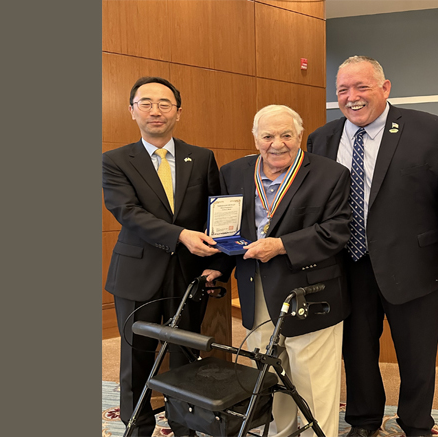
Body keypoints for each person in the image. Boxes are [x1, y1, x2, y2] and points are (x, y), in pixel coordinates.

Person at [307, 56, 438, 437]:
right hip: (346, 264)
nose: (352, 97)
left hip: (415, 264)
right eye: (343, 90)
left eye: (361, 87)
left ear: (385, 88)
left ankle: (416, 423)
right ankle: (364, 421)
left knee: (417, 354)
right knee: (357, 351)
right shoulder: (322, 139)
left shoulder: (431, 130)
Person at [202, 104, 351, 437]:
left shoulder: (331, 174)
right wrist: (217, 266)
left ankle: (318, 434)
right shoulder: (233, 172)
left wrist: (281, 244)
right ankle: (280, 431)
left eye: (286, 135)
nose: (277, 143)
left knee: (312, 377)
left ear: (300, 135)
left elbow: (338, 230)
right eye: (268, 135)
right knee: (268, 372)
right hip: (255, 288)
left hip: (310, 291)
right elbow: (229, 230)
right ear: (255, 139)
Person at [102, 76, 221, 437]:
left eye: (165, 104)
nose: (156, 111)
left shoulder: (200, 157)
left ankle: (185, 425)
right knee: (137, 354)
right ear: (132, 111)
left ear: (178, 112)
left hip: (189, 273)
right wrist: (181, 235)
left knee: (187, 352)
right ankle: (137, 425)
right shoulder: (115, 160)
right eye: (146, 103)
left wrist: (219, 257)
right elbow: (128, 213)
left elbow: (215, 212)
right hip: (138, 273)